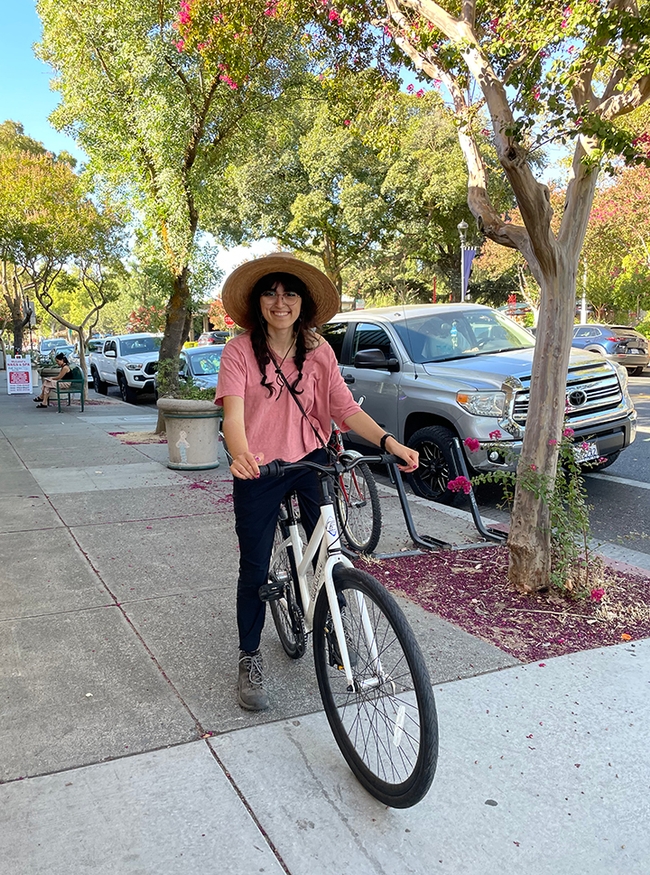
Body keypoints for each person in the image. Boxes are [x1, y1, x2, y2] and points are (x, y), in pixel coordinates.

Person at [215, 253, 419, 711]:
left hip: (311, 461)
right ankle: (250, 656)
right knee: (252, 569)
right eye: (270, 292)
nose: (280, 301)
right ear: (257, 302)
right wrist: (242, 454)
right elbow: (233, 415)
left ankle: (333, 627)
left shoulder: (320, 350)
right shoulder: (239, 352)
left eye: (289, 292)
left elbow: (344, 409)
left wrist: (389, 442)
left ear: (302, 301)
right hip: (261, 469)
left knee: (329, 551)